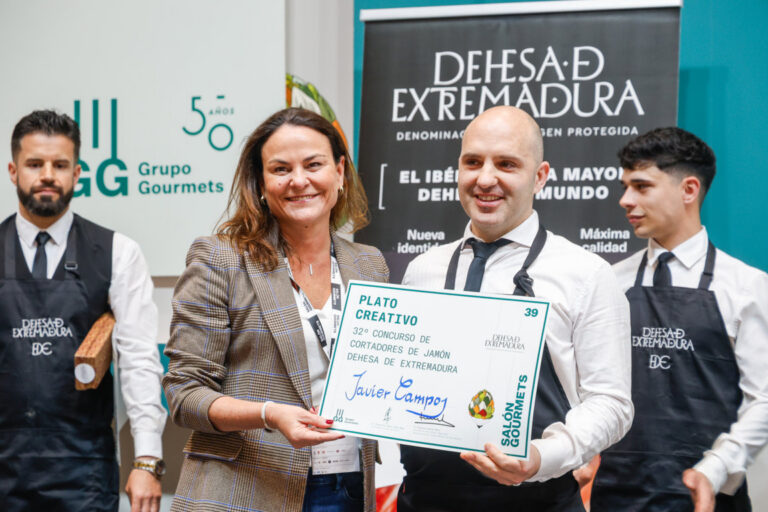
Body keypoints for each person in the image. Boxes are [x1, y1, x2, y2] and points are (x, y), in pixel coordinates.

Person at [397, 105, 633, 511]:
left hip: (536, 500)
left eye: (506, 164)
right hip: (426, 497)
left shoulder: (586, 274)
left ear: (539, 176)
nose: (486, 179)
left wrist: (543, 457)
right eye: (473, 162)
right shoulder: (422, 270)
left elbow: (612, 403)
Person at [163, 107, 389, 512]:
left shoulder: (369, 264)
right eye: (281, 169)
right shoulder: (220, 259)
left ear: (339, 172)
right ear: (262, 183)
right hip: (246, 488)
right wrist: (268, 414)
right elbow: (184, 393)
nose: (299, 180)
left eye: (314, 164)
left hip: (349, 485)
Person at [590, 127, 768, 512]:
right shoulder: (609, 283)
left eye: (641, 186)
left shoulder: (746, 287)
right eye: (625, 186)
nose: (625, 200)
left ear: (688, 190)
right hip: (614, 496)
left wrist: (716, 468)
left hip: (709, 499)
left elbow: (764, 399)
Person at [0, 110, 167, 512]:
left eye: (59, 165)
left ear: (77, 174)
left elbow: (140, 360)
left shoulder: (117, 253)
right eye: (34, 164)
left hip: (83, 473)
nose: (47, 175)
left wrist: (147, 459)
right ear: (12, 170)